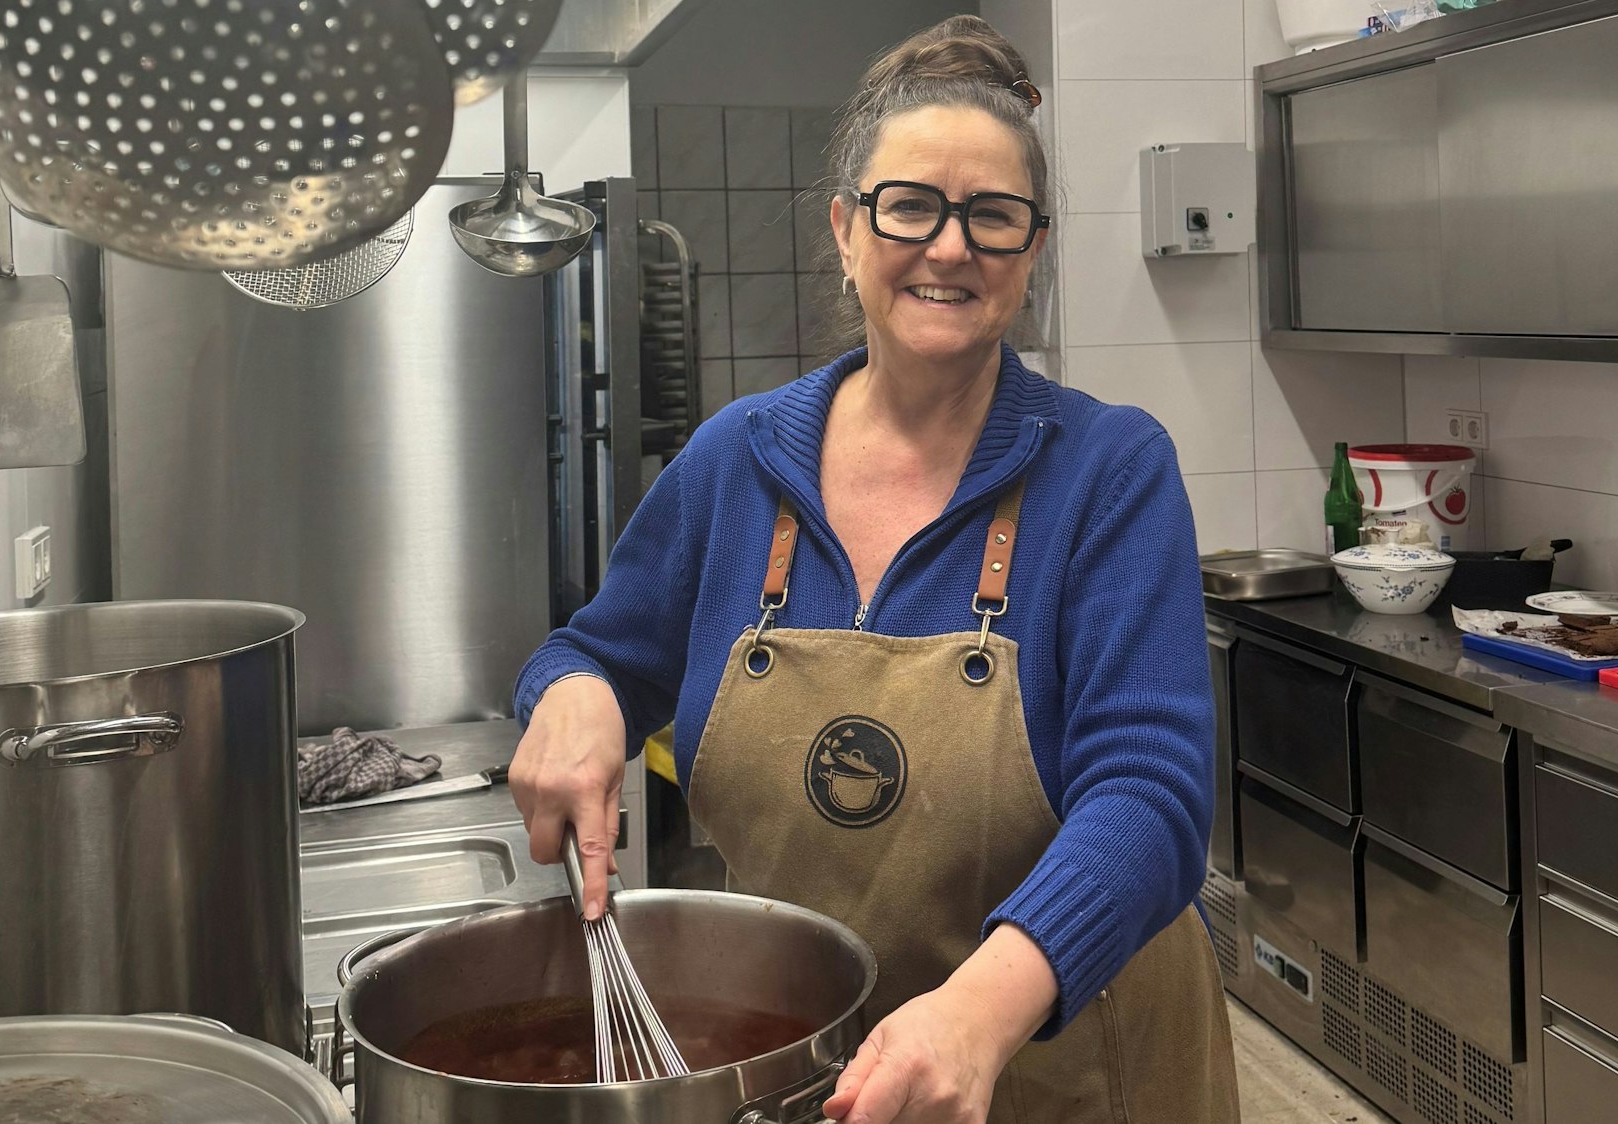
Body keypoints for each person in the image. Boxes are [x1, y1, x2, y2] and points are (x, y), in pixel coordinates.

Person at [508, 16, 1240, 1124]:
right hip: (821, 1071)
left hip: (1070, 1067)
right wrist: (572, 695)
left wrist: (979, 1010)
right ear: (848, 230)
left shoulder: (1106, 467)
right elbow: (599, 652)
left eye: (992, 217)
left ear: (1031, 250)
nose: (950, 248)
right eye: (910, 207)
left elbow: (1152, 791)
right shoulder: (733, 462)